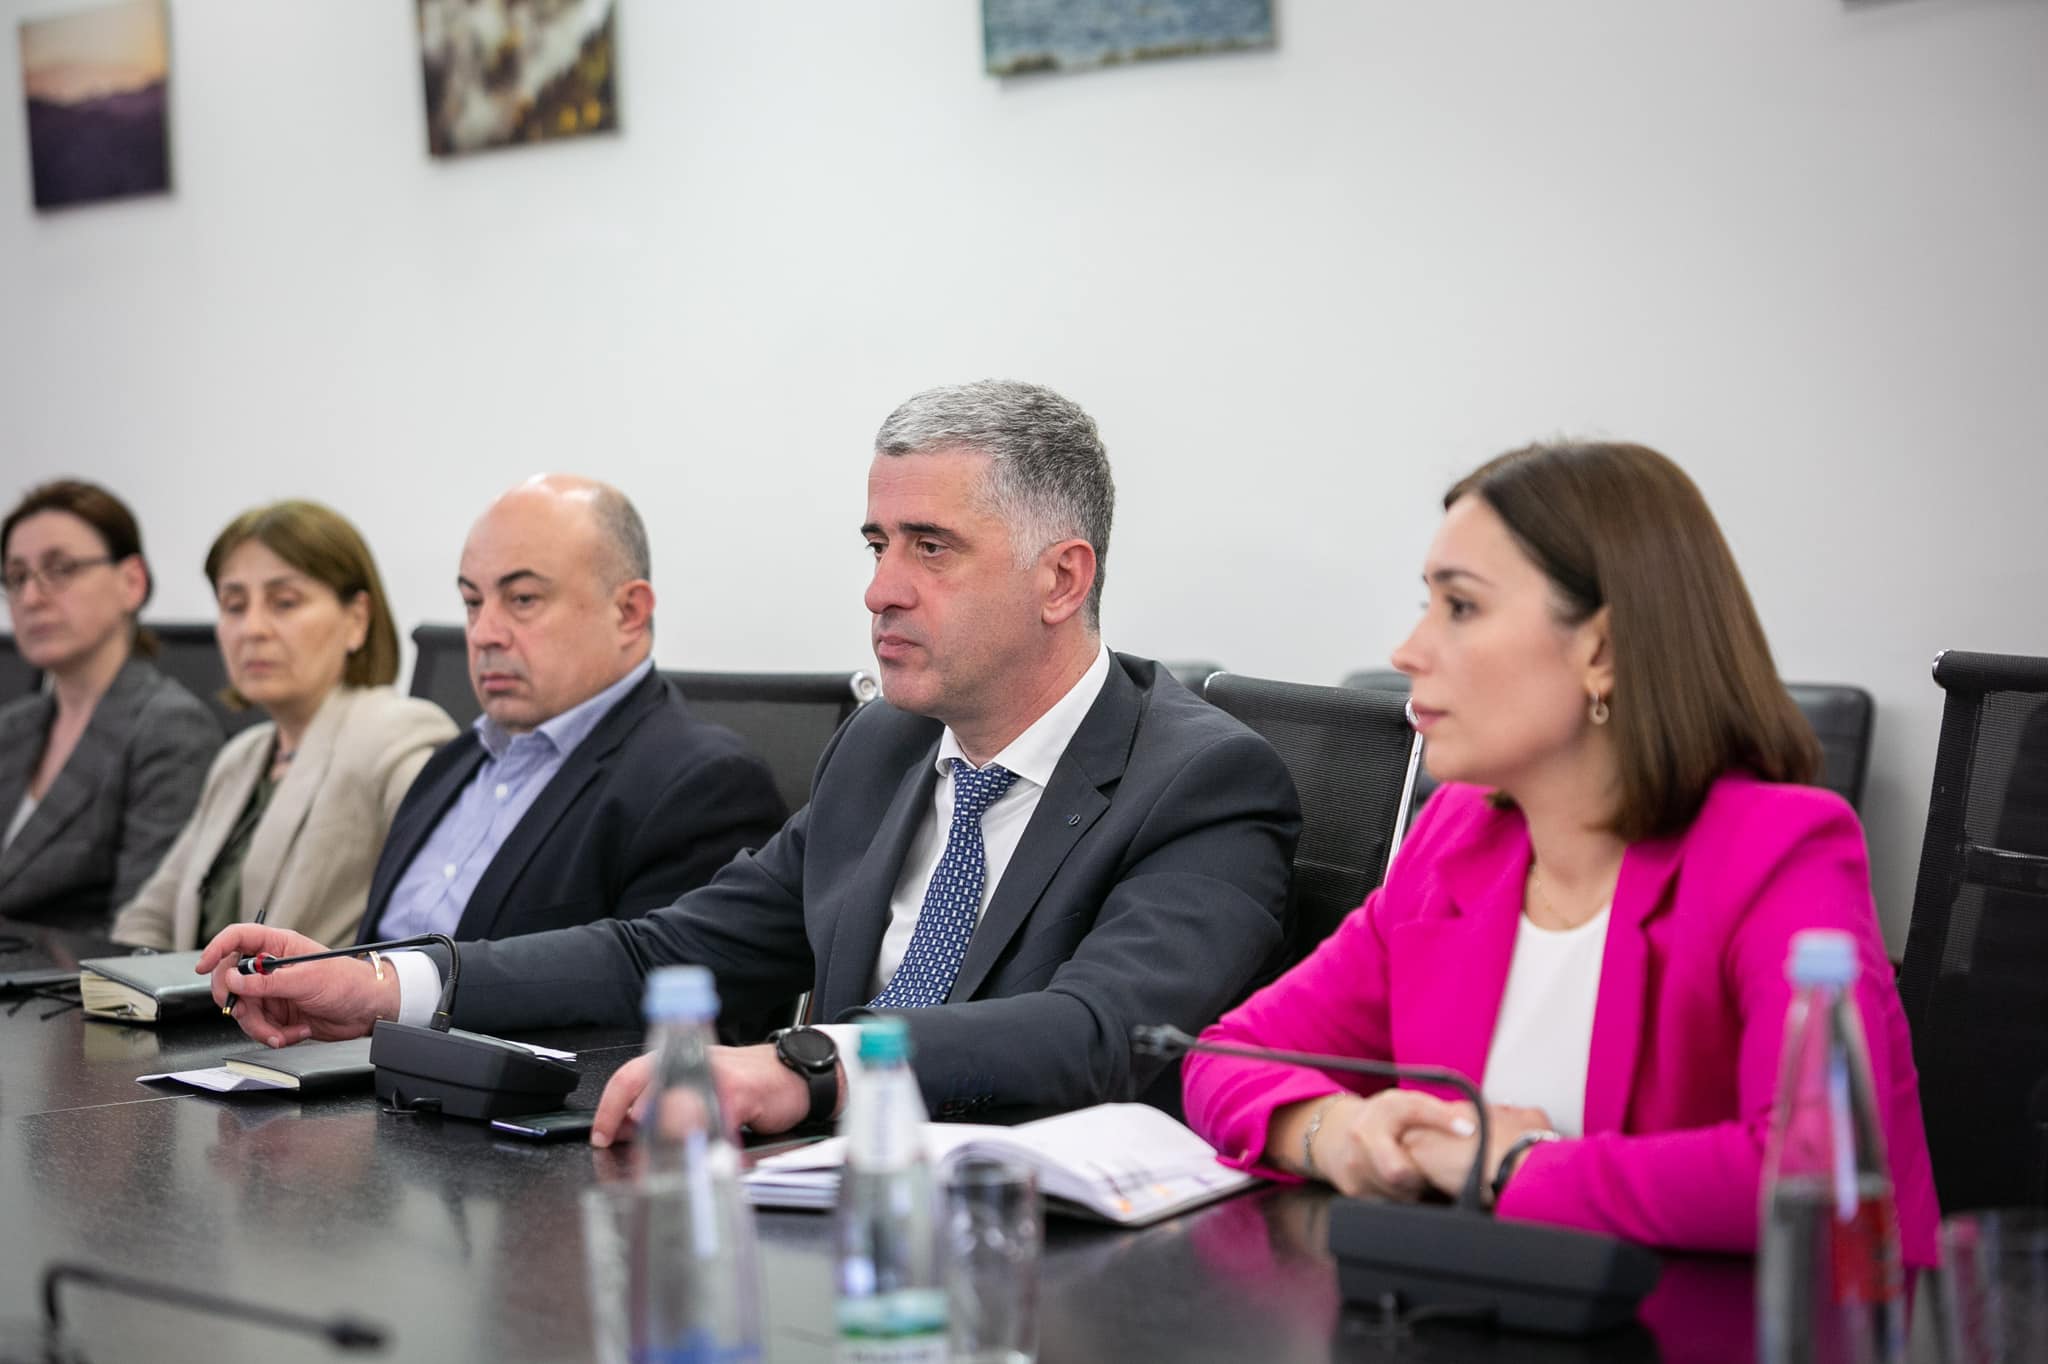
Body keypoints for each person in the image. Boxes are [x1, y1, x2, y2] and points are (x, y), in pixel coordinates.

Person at [200, 381, 1300, 1144]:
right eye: (877, 545)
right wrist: (388, 983)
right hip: (808, 1196)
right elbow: (671, 947)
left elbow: (1101, 1031)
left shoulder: (1202, 782)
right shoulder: (884, 744)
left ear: (1061, 578)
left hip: (1034, 1251)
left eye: (931, 548)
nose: (880, 590)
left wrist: (808, 1062)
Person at [1180, 440, 1938, 1264]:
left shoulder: (1780, 850)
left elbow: (1815, 1174)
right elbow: (1226, 1056)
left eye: (1460, 607)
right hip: (1476, 1310)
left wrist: (1506, 1166)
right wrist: (1339, 1132)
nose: (1408, 652)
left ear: (1601, 651)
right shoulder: (1459, 837)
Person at [350, 474, 785, 946]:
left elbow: (652, 983)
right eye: (473, 602)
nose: (482, 633)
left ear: (629, 612)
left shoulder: (702, 788)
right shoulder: (451, 762)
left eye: (523, 599)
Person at [109, 502, 458, 951]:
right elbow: (148, 918)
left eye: (285, 603)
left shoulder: (397, 734)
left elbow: (435, 932)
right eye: (234, 605)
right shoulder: (242, 758)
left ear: (357, 620)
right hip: (192, 997)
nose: (252, 628)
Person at [0, 480, 221, 927]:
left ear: (131, 582)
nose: (31, 597)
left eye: (60, 569)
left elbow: (139, 935)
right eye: (17, 577)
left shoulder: (170, 729)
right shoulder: (11, 727)